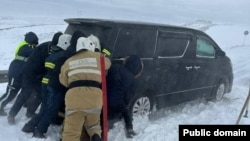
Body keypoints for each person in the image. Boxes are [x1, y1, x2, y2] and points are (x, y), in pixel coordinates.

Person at [59, 35, 111, 141]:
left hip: (75, 97)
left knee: (71, 131)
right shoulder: (99, 57)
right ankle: (95, 136)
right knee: (93, 124)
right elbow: (108, 64)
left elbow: (63, 81)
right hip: (95, 97)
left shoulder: (69, 61)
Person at [21, 34, 72, 138]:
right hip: (55, 86)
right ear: (66, 43)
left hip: (45, 82)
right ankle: (39, 130)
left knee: (44, 108)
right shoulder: (64, 56)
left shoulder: (53, 53)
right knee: (52, 110)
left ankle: (29, 126)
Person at [7, 32, 62, 125]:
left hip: (39, 75)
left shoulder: (53, 47)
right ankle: (11, 115)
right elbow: (41, 63)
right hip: (29, 73)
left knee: (40, 94)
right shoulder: (45, 48)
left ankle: (30, 111)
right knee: (24, 94)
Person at [0, 32, 38, 116]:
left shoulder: (28, 47)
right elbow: (35, 53)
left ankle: (26, 104)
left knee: (25, 91)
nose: (35, 45)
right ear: (32, 41)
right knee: (11, 93)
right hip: (15, 73)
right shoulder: (25, 47)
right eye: (35, 44)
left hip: (21, 74)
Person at [105, 54, 144, 138]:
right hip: (112, 111)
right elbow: (126, 100)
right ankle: (129, 129)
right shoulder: (133, 82)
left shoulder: (114, 67)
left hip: (102, 102)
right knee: (126, 111)